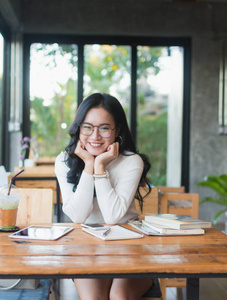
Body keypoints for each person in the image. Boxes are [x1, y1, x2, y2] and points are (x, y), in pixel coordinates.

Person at [55, 92, 153, 299]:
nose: (95, 136)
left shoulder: (132, 161)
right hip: (87, 247)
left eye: (104, 128)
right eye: (88, 127)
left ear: (117, 129)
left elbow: (112, 217)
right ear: (79, 128)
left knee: (119, 296)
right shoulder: (64, 161)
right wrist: (89, 165)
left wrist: (99, 166)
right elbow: (78, 217)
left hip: (130, 244)